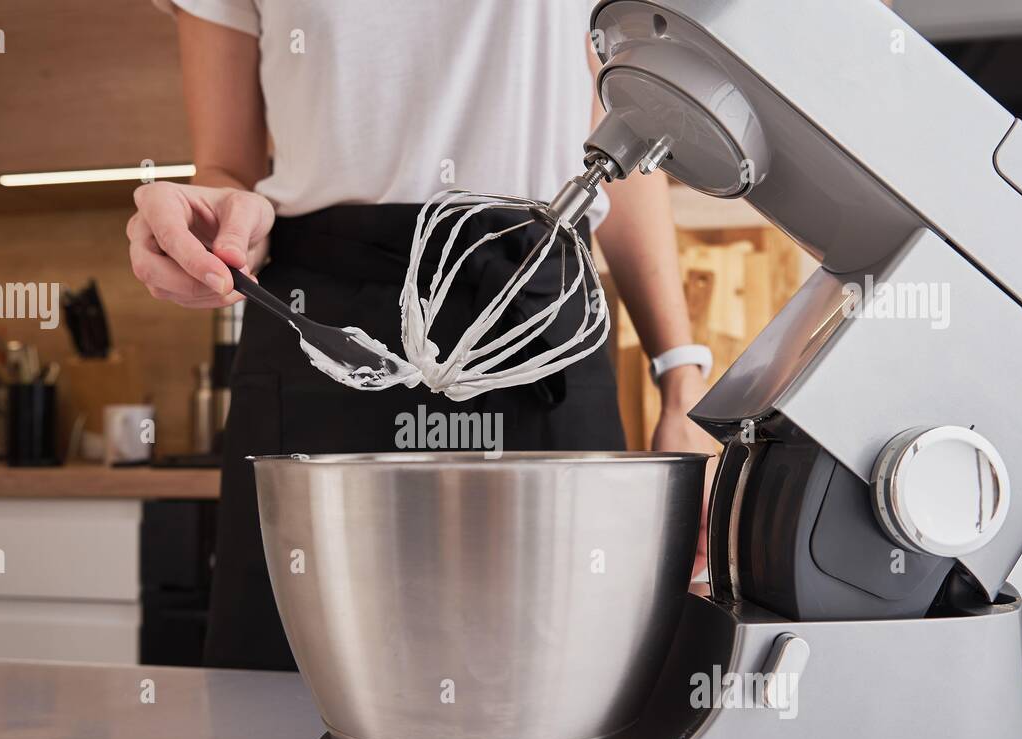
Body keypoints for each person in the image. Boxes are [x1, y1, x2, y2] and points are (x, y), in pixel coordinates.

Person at [132, 0, 716, 669]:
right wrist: (218, 227)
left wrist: (682, 379)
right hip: (323, 331)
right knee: (283, 700)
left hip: (535, 325)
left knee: (555, 683)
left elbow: (619, 149)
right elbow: (226, 167)